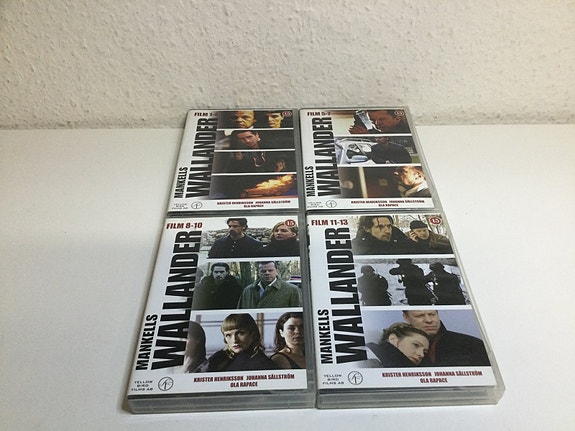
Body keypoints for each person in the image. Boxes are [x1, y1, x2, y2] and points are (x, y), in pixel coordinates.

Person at [402, 310, 491, 366]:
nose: (429, 320)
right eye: (419, 316)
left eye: (432, 314)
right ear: (406, 317)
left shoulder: (473, 345)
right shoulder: (398, 348)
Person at [206, 314, 277, 371]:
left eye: (240, 333)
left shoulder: (262, 363)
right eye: (228, 335)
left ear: (252, 334)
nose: (234, 340)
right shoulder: (219, 359)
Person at [237, 261, 302, 308]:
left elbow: (299, 314)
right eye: (263, 271)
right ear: (258, 273)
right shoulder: (248, 291)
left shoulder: (292, 290)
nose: (267, 273)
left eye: (270, 270)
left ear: (277, 271)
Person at [363, 322, 430, 367]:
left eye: (424, 352)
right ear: (393, 339)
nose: (421, 355)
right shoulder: (367, 360)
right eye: (416, 345)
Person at [351, 215, 417, 255]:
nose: (387, 231)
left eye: (389, 226)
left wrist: (416, 243)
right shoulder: (357, 247)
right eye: (380, 227)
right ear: (367, 228)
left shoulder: (399, 239)